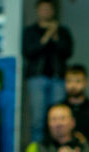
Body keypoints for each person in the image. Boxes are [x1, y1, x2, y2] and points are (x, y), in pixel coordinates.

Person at [23, 0, 73, 143]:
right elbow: (29, 51)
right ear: (38, 11)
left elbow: (67, 52)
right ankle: (37, 148)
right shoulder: (30, 31)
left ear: (53, 11)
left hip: (58, 78)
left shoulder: (62, 31)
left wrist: (55, 36)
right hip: (37, 77)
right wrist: (46, 36)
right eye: (43, 9)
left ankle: (58, 145)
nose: (46, 12)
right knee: (38, 118)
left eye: (48, 9)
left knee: (59, 116)